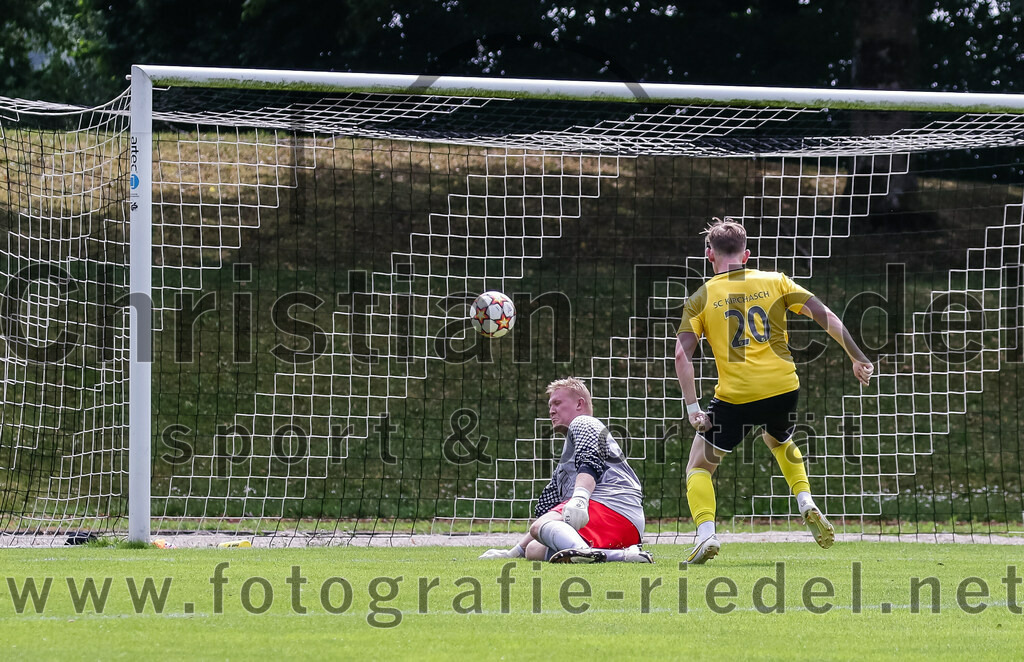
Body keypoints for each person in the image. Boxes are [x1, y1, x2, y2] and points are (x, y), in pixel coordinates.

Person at [675, 218, 873, 564]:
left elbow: (681, 354)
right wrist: (857, 357)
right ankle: (805, 500)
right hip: (783, 387)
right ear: (747, 254)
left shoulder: (701, 297)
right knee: (778, 438)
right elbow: (825, 316)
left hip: (736, 395)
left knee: (699, 467)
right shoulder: (776, 281)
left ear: (710, 255)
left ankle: (706, 534)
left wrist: (693, 406)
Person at [479, 377, 653, 564]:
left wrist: (580, 497)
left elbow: (590, 458)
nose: (551, 410)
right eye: (550, 406)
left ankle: (586, 553)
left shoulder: (584, 422)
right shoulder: (565, 461)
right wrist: (514, 552)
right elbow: (549, 514)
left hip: (614, 510)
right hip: (624, 528)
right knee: (534, 549)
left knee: (540, 528)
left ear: (579, 404)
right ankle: (623, 556)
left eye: (557, 403)